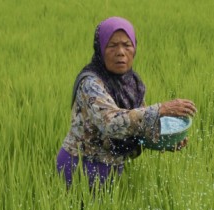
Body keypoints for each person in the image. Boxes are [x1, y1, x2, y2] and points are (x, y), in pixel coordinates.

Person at [56, 16, 197, 188]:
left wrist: (165, 142)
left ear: (135, 48)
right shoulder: (90, 84)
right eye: (112, 45)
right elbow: (111, 123)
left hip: (112, 169)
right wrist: (161, 109)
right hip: (80, 167)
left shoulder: (132, 84)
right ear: (100, 49)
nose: (121, 52)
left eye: (127, 45)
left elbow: (138, 124)